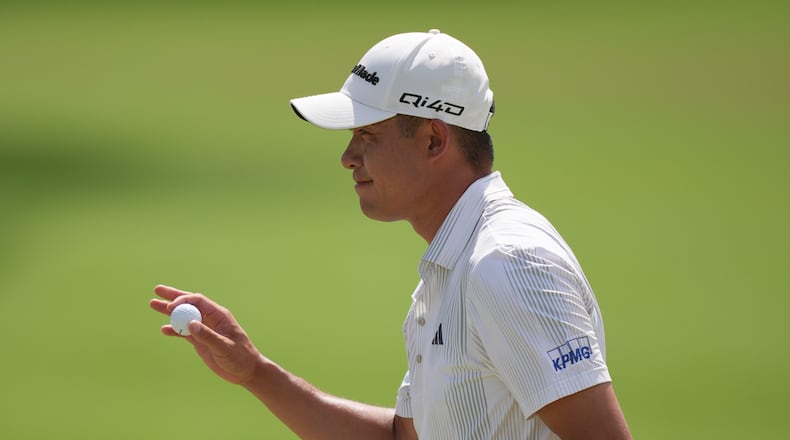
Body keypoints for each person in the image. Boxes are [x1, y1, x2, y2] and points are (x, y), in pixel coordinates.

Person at [150, 29, 632, 439]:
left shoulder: (506, 263)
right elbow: (403, 437)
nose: (347, 157)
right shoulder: (453, 266)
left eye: (368, 136)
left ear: (433, 140)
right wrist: (256, 372)